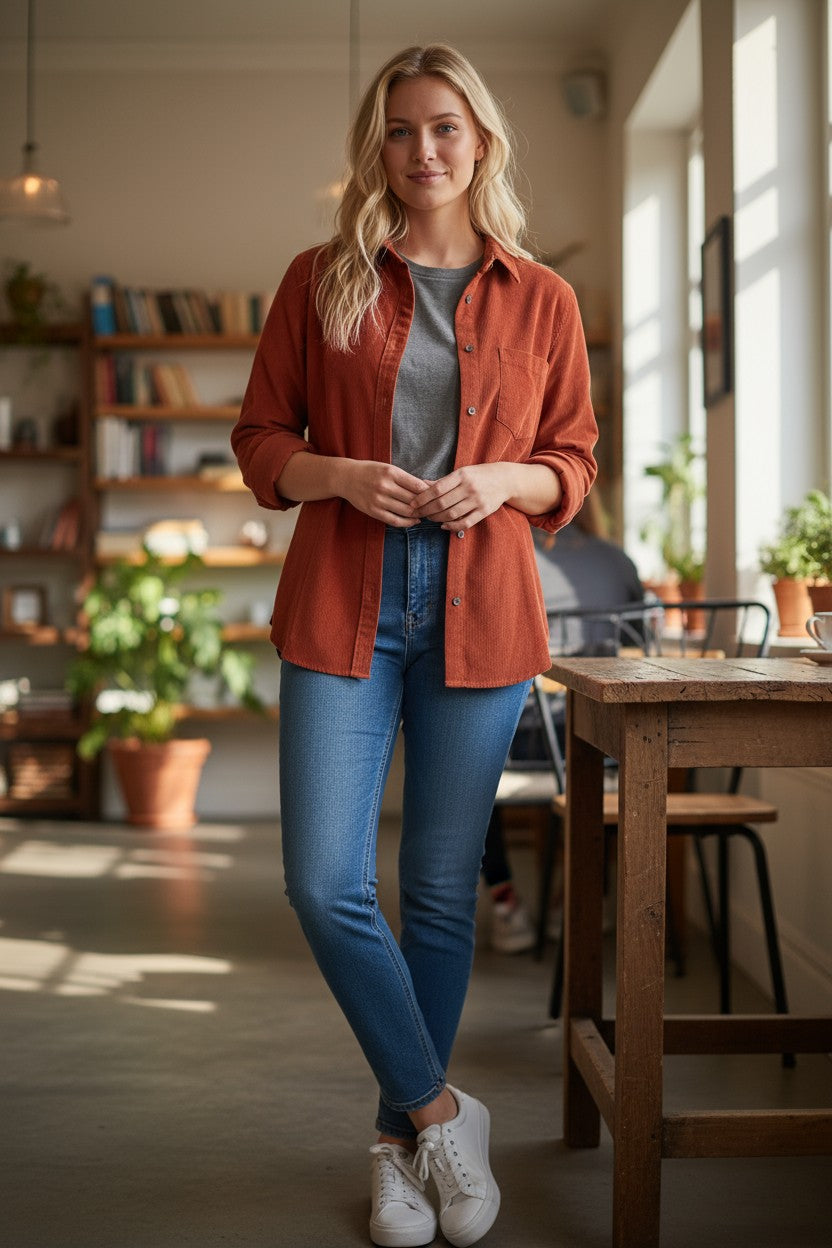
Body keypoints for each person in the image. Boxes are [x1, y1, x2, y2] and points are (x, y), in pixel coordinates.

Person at [231, 43, 596, 1248]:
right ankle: (443, 1114)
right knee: (322, 882)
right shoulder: (319, 279)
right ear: (376, 147)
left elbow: (572, 464)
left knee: (441, 892)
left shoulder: (542, 297)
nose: (423, 149)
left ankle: (398, 1152)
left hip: (482, 607)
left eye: (444, 127)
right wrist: (340, 475)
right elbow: (260, 439)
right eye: (400, 130)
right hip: (344, 600)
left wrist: (500, 479)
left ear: (480, 141)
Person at [481, 490, 644, 953]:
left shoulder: (500, 556)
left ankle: (506, 903)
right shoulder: (619, 562)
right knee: (613, 766)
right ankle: (574, 897)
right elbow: (639, 648)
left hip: (517, 740)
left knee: (463, 760)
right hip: (598, 742)